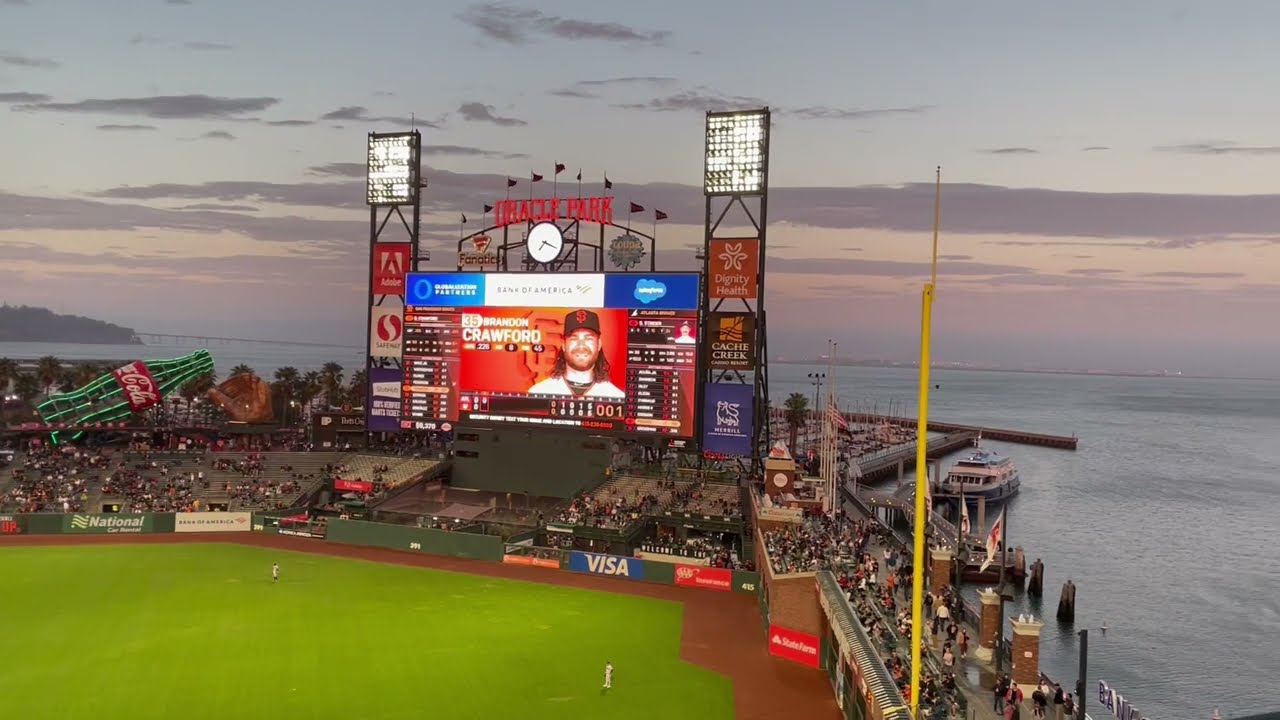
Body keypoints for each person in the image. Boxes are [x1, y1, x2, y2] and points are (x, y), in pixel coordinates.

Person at [527, 310, 625, 398]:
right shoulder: (538, 393)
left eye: (588, 338)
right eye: (574, 338)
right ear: (564, 345)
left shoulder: (616, 397)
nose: (581, 346)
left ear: (599, 344)